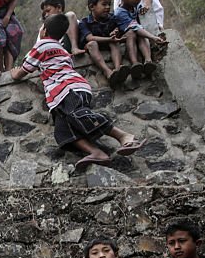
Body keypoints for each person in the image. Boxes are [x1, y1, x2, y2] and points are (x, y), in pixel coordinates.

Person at [10, 14, 144, 168]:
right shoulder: (60, 48)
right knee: (63, 132)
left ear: (44, 31)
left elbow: (24, 70)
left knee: (78, 115)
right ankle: (96, 153)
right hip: (61, 95)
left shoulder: (42, 45)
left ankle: (124, 136)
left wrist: (15, 73)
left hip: (68, 88)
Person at [114, 0, 168, 81]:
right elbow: (135, 27)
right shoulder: (119, 13)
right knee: (132, 33)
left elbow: (139, 24)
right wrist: (152, 37)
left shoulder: (135, 7)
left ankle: (148, 61)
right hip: (126, 36)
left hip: (137, 32)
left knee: (141, 35)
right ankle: (135, 63)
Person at [77, 0, 128, 89]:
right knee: (92, 44)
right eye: (104, 4)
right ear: (92, 7)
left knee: (114, 43)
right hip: (91, 46)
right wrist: (109, 39)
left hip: (108, 43)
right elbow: (90, 37)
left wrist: (116, 31)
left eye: (109, 4)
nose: (108, 7)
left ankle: (118, 69)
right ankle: (107, 71)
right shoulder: (84, 22)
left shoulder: (112, 18)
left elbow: (121, 29)